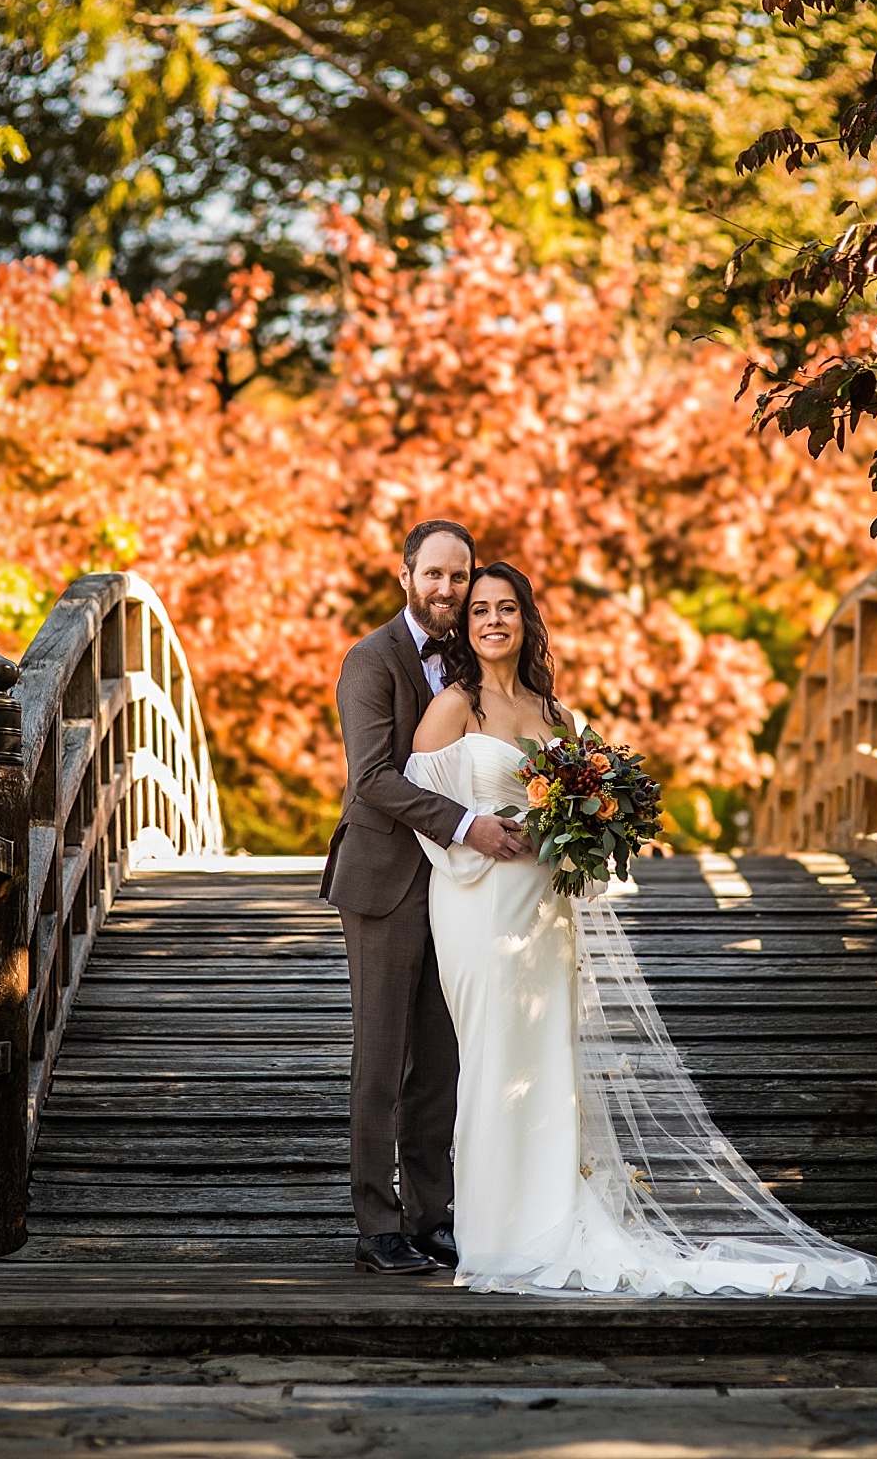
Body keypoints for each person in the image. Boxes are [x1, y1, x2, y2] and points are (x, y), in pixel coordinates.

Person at [404, 561, 877, 1298]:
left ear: (526, 620)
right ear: (466, 625)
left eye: (507, 608)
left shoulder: (556, 715)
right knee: (490, 1056)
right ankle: (494, 1233)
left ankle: (548, 1219)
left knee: (548, 1058)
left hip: (545, 908)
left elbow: (580, 813)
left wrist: (577, 835)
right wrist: (476, 833)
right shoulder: (453, 708)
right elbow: (420, 802)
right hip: (478, 908)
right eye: (479, 610)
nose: (492, 621)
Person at [322, 521, 530, 1276]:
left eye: (458, 577)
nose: (447, 590)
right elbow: (372, 778)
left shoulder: (471, 662)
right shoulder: (370, 661)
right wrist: (469, 825)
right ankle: (377, 1226)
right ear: (404, 575)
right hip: (386, 882)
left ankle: (431, 1218)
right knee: (381, 1059)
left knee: (439, 1064)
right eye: (433, 575)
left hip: (458, 893)